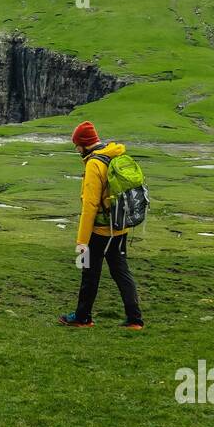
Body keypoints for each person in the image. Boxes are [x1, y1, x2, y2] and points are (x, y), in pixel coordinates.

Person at [59, 121, 144, 329]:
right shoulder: (114, 154)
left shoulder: (94, 164)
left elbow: (90, 206)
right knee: (121, 271)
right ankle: (135, 320)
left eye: (77, 144)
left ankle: (82, 317)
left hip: (100, 230)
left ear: (85, 144)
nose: (76, 148)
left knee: (89, 273)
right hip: (120, 225)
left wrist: (81, 241)